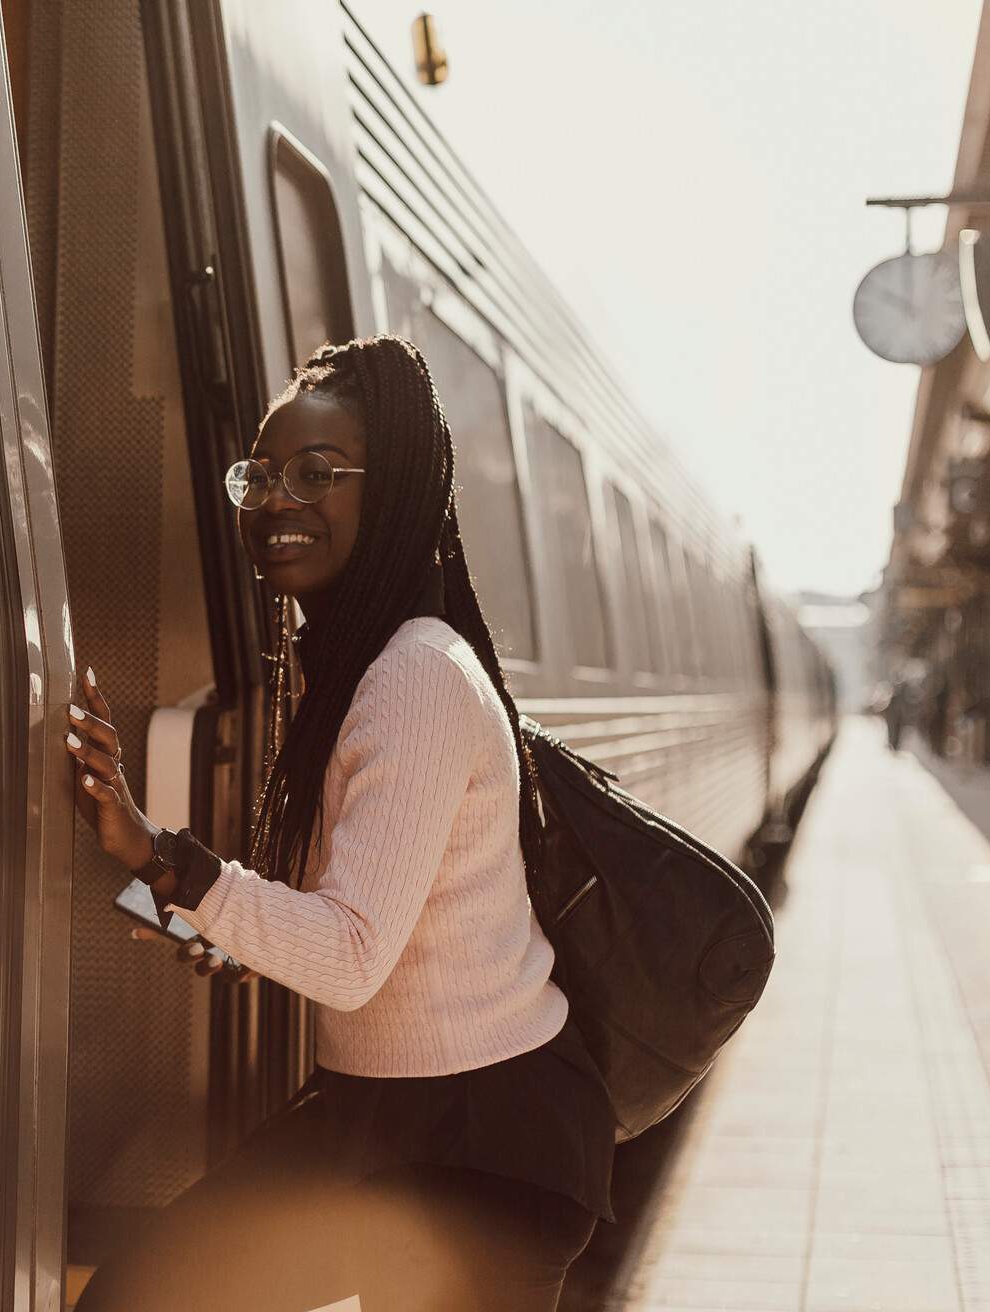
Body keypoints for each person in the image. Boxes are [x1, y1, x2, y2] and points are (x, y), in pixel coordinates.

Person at [63, 336, 614, 1310]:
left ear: (390, 485)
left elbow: (353, 954)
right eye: (263, 473)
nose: (279, 498)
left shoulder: (413, 676)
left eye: (319, 472)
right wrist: (205, 917)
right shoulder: (356, 667)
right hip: (383, 1116)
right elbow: (360, 919)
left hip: (482, 1148)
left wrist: (160, 855)